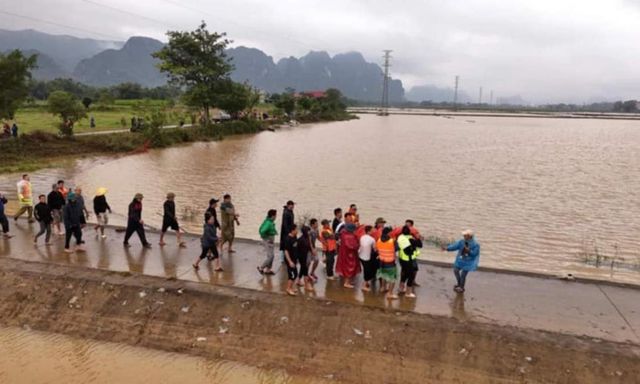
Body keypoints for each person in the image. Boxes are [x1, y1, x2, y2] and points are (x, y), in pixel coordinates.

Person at [397, 226, 422, 298]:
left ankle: (401, 288)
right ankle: (408, 292)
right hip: (409, 259)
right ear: (409, 232)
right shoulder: (411, 239)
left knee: (404, 273)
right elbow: (420, 245)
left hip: (402, 258)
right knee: (411, 276)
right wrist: (418, 238)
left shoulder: (400, 237)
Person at [335, 223, 361, 288]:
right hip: (349, 255)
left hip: (343, 253)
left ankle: (348, 281)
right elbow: (352, 246)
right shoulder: (350, 236)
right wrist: (358, 245)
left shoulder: (343, 234)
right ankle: (346, 283)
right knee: (349, 268)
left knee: (345, 267)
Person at [376, 227, 398, 300]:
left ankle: (382, 288)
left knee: (383, 275)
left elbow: (376, 249)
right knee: (392, 278)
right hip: (390, 261)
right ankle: (390, 293)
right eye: (391, 232)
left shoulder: (378, 240)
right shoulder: (392, 241)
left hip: (381, 261)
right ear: (388, 233)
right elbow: (397, 248)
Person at [257, 209, 278, 275]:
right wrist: (266, 238)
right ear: (272, 216)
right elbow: (262, 231)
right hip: (268, 241)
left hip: (270, 241)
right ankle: (261, 268)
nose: (276, 217)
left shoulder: (269, 221)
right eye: (275, 215)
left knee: (272, 256)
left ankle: (268, 270)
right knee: (270, 256)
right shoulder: (268, 223)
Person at [358, 225, 377, 291]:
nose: (373, 231)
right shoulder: (372, 239)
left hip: (360, 255)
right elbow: (375, 249)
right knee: (367, 271)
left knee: (366, 270)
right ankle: (364, 285)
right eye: (372, 230)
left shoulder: (362, 237)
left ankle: (367, 282)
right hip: (366, 257)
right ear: (369, 231)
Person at [283, 224, 299, 296]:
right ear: (292, 230)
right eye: (296, 229)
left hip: (294, 259)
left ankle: (291, 287)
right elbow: (286, 251)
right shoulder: (287, 239)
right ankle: (288, 289)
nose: (297, 231)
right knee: (292, 275)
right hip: (290, 260)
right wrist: (290, 261)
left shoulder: (294, 236)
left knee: (295, 274)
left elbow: (295, 248)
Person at [297, 225, 314, 291]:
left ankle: (298, 280)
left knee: (302, 268)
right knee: (305, 270)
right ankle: (306, 285)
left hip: (305, 256)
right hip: (301, 257)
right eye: (308, 231)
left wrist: (312, 251)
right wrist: (297, 258)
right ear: (305, 232)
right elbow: (296, 249)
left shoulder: (307, 237)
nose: (309, 232)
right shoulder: (300, 239)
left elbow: (309, 245)